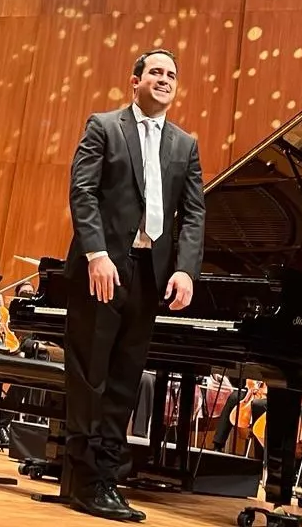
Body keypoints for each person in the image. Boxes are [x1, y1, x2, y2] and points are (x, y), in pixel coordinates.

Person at [63, 48, 205, 521]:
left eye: (171, 75)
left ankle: (103, 479)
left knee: (124, 381)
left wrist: (184, 269)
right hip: (101, 270)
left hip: (149, 275)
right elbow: (82, 191)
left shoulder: (186, 144)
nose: (164, 80)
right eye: (156, 72)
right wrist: (96, 254)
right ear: (135, 80)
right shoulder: (104, 126)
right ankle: (82, 480)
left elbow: (193, 215)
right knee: (90, 377)